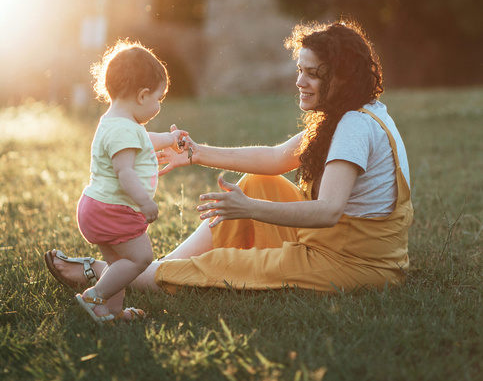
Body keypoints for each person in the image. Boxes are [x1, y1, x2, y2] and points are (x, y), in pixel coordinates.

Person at [46, 20, 413, 297]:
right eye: (299, 70)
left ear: (342, 78)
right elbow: (275, 158)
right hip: (336, 242)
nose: (300, 81)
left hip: (353, 263)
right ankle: (156, 271)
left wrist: (248, 208)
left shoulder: (353, 126)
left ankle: (104, 272)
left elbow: (328, 211)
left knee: (225, 266)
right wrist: (195, 153)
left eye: (313, 74)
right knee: (259, 182)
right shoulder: (349, 114)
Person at [46, 40, 188, 324]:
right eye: (158, 99)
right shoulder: (124, 129)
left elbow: (146, 140)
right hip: (113, 209)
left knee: (118, 263)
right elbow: (125, 173)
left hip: (97, 207)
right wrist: (145, 201)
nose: (159, 105)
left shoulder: (118, 122)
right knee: (140, 259)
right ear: (142, 95)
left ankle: (109, 312)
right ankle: (93, 296)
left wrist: (170, 140)